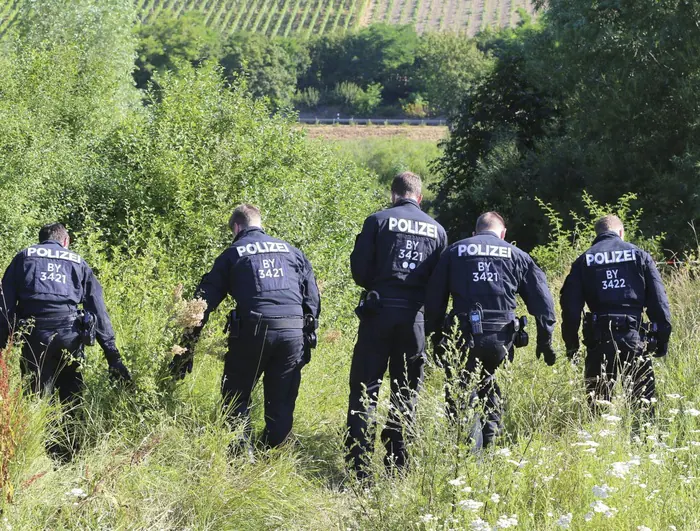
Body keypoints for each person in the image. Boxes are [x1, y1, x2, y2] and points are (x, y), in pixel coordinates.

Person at [170, 204, 321, 450]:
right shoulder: (292, 252)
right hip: (293, 333)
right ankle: (275, 452)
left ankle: (241, 455)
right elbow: (312, 299)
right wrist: (308, 337)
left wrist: (186, 349)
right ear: (260, 224)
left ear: (237, 227)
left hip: (254, 331)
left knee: (237, 394)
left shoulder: (234, 252)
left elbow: (202, 305)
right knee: (282, 399)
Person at [425, 212, 556, 449]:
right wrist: (545, 341)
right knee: (492, 390)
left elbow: (435, 301)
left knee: (460, 396)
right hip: (502, 339)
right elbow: (543, 303)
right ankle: (490, 452)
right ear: (503, 233)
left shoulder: (454, 252)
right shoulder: (518, 255)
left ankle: (465, 459)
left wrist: (434, 338)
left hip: (463, 337)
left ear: (475, 233)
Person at [346, 171, 447, 477]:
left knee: (365, 390)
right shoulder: (438, 230)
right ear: (420, 197)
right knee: (406, 392)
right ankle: (397, 466)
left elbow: (360, 272)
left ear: (393, 195)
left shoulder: (377, 221)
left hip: (379, 313)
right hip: (414, 319)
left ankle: (359, 469)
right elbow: (440, 284)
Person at [0, 223, 131, 459]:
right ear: (66, 241)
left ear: (41, 240)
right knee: (71, 395)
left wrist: (2, 346)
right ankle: (68, 454)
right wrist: (113, 356)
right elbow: (98, 310)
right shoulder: (77, 262)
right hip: (70, 335)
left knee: (35, 395)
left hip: (34, 334)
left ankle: (33, 453)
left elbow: (4, 306)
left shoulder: (23, 257)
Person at [560, 215, 672, 410]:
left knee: (598, 406)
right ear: (621, 232)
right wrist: (662, 338)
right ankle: (643, 439)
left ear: (598, 234)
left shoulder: (584, 260)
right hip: (634, 337)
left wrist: (572, 346)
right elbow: (659, 301)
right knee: (642, 405)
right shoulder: (639, 255)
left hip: (599, 339)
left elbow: (570, 309)